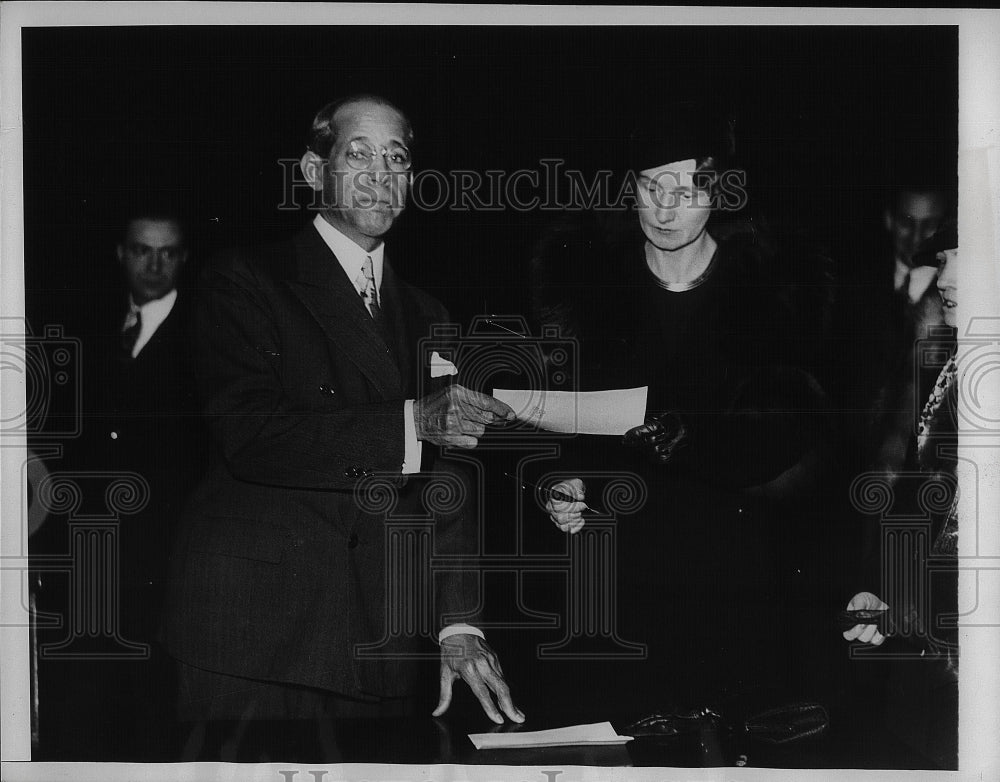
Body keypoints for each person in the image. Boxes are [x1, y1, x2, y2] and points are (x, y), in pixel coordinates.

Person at [160, 95, 522, 761]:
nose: (380, 174)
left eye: (397, 159)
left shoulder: (430, 312)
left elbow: (449, 477)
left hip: (380, 645)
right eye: (358, 154)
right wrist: (414, 421)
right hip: (255, 637)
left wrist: (458, 624)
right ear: (311, 169)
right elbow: (254, 433)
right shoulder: (242, 280)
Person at [532, 106, 838, 714]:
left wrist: (699, 438)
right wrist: (555, 481)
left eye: (688, 189)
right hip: (622, 578)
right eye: (651, 188)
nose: (666, 210)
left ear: (719, 192)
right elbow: (547, 419)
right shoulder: (587, 298)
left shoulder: (771, 301)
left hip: (736, 576)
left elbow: (794, 440)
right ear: (632, 191)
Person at [33, 208, 207, 760]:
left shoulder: (207, 339)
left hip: (161, 573)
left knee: (150, 730)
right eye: (141, 250)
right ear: (121, 254)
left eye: (168, 252)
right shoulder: (88, 328)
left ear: (184, 258)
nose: (154, 264)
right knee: (78, 726)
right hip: (82, 572)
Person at [841, 219, 959, 769]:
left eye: (959, 255)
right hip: (928, 676)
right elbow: (920, 491)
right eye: (944, 256)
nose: (945, 273)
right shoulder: (955, 365)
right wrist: (889, 591)